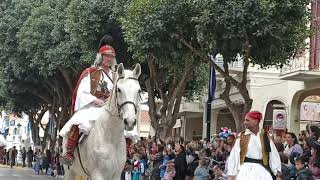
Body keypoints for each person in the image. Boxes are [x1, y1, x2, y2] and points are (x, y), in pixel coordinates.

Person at [59, 35, 117, 165]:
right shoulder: (91, 72)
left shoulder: (115, 75)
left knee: (126, 127)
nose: (108, 59)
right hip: (93, 105)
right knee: (80, 121)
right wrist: (95, 100)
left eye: (111, 56)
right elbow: (82, 91)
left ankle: (125, 158)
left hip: (110, 107)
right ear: (101, 57)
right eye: (106, 56)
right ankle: (69, 153)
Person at [227, 111, 282, 180]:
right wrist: (231, 174)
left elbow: (273, 155)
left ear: (256, 122)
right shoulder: (241, 137)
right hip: (245, 171)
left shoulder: (266, 136)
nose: (244, 122)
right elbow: (234, 156)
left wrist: (277, 174)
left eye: (247, 120)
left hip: (262, 171)